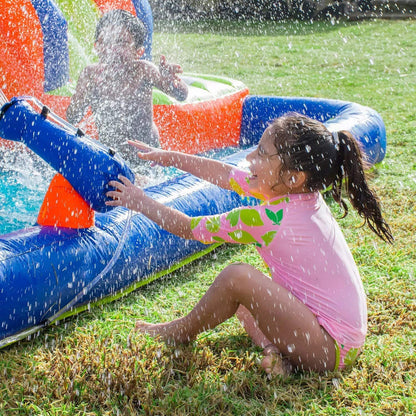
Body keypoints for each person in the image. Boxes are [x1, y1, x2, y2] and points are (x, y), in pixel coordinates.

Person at [106, 113, 393, 375]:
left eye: (261, 153)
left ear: (293, 176)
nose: (249, 159)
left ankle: (180, 332)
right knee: (243, 303)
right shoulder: (302, 195)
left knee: (237, 278)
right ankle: (278, 356)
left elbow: (187, 228)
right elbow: (224, 174)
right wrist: (171, 158)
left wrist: (139, 201)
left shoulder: (270, 218)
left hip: (329, 349)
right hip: (336, 340)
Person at [66, 9, 188, 165]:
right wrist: (81, 98)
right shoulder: (90, 74)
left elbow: (181, 95)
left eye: (121, 42)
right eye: (106, 41)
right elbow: (72, 117)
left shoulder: (143, 71)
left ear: (138, 51)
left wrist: (172, 81)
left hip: (147, 158)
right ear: (97, 46)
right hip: (111, 157)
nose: (113, 49)